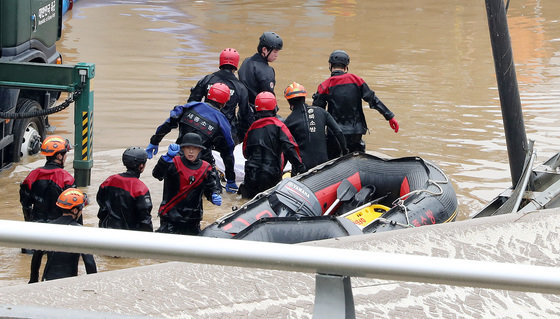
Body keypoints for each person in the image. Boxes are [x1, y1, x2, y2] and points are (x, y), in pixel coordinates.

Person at [146, 82, 238, 193]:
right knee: (215, 193)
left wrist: (154, 141)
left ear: (207, 95)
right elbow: (227, 153)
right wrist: (231, 179)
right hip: (202, 165)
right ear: (224, 103)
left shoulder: (189, 106)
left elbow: (168, 124)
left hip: (178, 157)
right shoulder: (222, 123)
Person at [312, 50, 399, 158]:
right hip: (356, 133)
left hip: (335, 134)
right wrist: (390, 117)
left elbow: (317, 112)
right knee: (357, 159)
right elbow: (373, 100)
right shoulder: (357, 81)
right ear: (346, 66)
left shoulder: (324, 86)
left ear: (330, 65)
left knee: (332, 162)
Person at [152, 133, 222, 235]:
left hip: (192, 219)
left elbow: (210, 188)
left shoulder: (206, 168)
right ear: (183, 149)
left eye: (194, 148)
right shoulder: (173, 162)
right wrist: (166, 158)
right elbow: (157, 174)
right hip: (170, 217)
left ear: (200, 150)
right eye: (188, 148)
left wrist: (213, 195)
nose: (191, 151)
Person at [240, 92, 306, 199]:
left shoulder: (252, 128)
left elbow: (245, 153)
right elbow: (291, 147)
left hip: (250, 174)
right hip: (270, 174)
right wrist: (301, 168)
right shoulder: (279, 126)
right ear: (274, 107)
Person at [29, 188, 97, 283]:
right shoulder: (81, 232)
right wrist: (93, 283)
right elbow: (89, 263)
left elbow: (36, 257)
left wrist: (33, 280)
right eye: (81, 209)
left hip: (47, 280)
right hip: (69, 281)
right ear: (74, 210)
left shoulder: (47, 228)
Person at [187, 48, 253, 144]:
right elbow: (245, 115)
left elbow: (192, 103)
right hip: (227, 130)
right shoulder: (240, 87)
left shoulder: (207, 79)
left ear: (220, 62)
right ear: (235, 65)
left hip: (205, 127)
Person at [284, 82, 348, 169]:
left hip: (303, 168)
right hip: (323, 165)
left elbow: (286, 149)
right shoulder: (322, 112)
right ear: (304, 97)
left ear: (288, 101)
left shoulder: (288, 122)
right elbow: (338, 132)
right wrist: (345, 151)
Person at [20, 135, 76, 224]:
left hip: (37, 226)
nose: (66, 156)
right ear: (59, 156)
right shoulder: (67, 178)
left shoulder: (32, 175)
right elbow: (74, 209)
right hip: (59, 227)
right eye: (65, 153)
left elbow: (25, 204)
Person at [96, 147, 153, 232]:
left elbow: (100, 201)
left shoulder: (110, 180)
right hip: (129, 236)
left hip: (107, 230)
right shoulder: (141, 189)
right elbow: (145, 219)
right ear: (141, 166)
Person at [238, 32, 283, 106]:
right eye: (275, 51)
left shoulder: (246, 62)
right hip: (259, 112)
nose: (276, 55)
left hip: (243, 110)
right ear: (264, 50)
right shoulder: (267, 71)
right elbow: (269, 98)